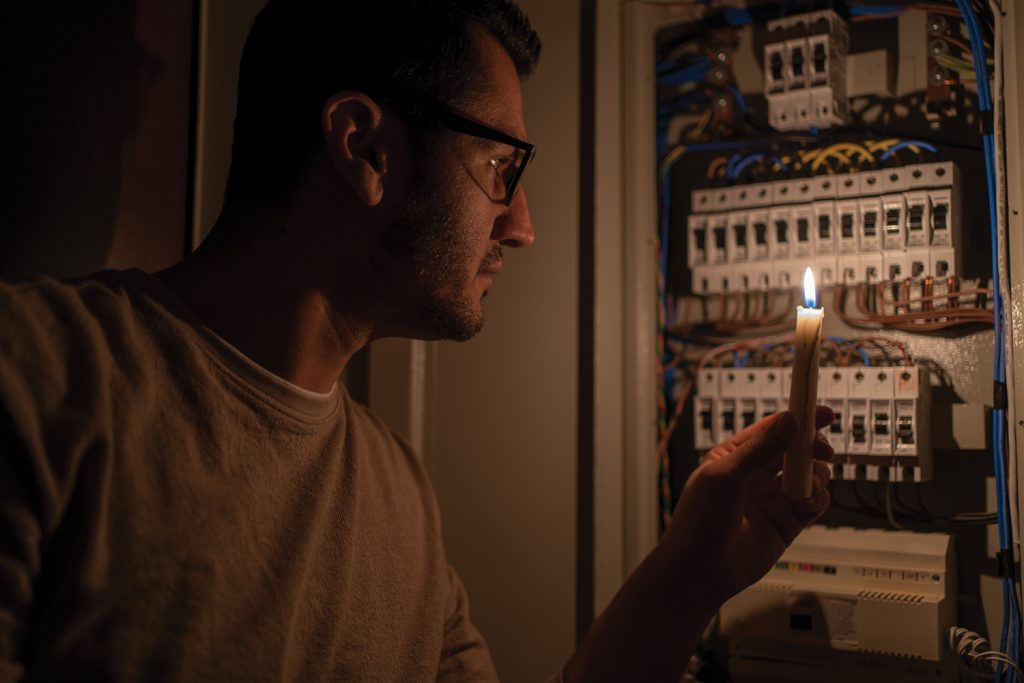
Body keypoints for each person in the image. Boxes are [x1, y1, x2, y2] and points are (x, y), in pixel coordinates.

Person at [0, 0, 834, 680]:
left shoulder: (398, 495)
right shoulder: (39, 376)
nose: (524, 226)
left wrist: (691, 574)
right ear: (364, 147)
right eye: (502, 167)